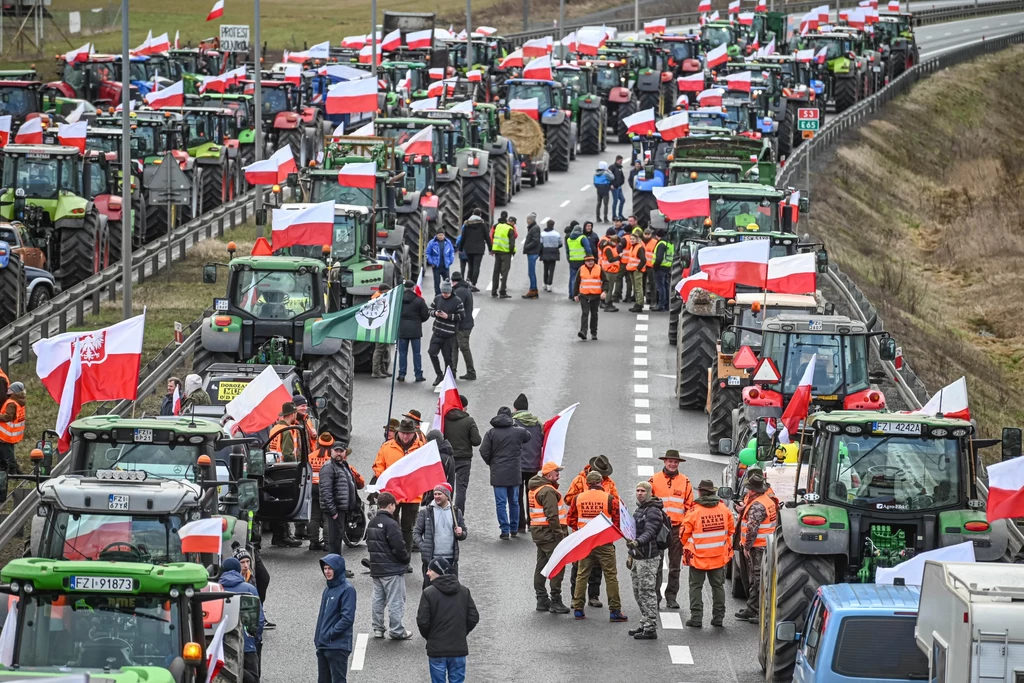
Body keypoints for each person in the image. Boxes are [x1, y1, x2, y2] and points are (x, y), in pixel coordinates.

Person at [568, 472, 628, 623]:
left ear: (587, 483)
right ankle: (615, 610)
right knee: (610, 576)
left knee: (582, 574)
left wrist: (582, 531)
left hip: (585, 541)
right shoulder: (609, 499)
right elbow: (617, 521)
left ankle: (578, 609)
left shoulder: (578, 498)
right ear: (601, 482)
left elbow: (571, 520)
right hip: (604, 542)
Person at [416, 557, 479, 683]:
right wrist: (461, 632)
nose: (427, 573)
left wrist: (431, 636)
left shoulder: (428, 593)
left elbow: (423, 621)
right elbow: (473, 617)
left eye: (430, 570)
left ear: (438, 571)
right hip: (458, 648)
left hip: (437, 650)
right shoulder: (463, 591)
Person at [681, 479, 735, 628]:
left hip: (698, 557)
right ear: (713, 492)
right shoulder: (724, 509)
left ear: (700, 492)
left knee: (695, 587)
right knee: (718, 586)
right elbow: (731, 530)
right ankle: (718, 618)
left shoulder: (694, 511)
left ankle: (696, 618)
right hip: (718, 556)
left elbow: (684, 533)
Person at [565, 456, 617, 607]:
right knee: (578, 566)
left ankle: (593, 596)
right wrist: (587, 499)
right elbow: (568, 499)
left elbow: (616, 503)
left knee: (597, 566)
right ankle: (575, 597)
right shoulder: (579, 480)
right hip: (582, 532)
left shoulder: (609, 483)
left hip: (601, 533)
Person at [649, 450, 694, 609]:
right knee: (657, 564)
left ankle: (671, 597)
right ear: (665, 462)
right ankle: (655, 597)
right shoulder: (654, 480)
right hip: (659, 527)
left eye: (675, 462)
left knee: (675, 566)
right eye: (670, 461)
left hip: (677, 528)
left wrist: (686, 527)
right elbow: (648, 503)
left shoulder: (685, 481)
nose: (673, 464)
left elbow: (690, 506)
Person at [374, 420, 427, 552]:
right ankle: (388, 555)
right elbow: (378, 465)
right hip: (392, 494)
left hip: (412, 495)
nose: (405, 436)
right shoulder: (387, 447)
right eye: (403, 433)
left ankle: (405, 558)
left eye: (408, 434)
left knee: (407, 528)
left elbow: (426, 469)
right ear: (398, 432)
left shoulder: (421, 448)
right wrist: (384, 479)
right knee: (389, 525)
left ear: (414, 433)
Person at [479, 406, 531, 540]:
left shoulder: (491, 433)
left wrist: (492, 462)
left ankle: (505, 530)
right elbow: (528, 437)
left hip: (498, 473)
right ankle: (514, 528)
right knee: (514, 501)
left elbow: (483, 451)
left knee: (501, 503)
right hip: (514, 472)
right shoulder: (518, 432)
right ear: (511, 417)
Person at [367, 492, 413, 640]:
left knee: (378, 599)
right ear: (391, 505)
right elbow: (399, 547)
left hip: (376, 568)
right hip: (392, 569)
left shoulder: (372, 522)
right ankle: (397, 630)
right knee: (396, 600)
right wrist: (405, 559)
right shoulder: (392, 524)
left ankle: (378, 629)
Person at [528, 461, 570, 614]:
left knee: (542, 565)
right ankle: (555, 600)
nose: (558, 474)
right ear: (547, 475)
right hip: (550, 534)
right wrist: (560, 536)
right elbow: (552, 516)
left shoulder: (535, 488)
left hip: (539, 533)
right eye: (556, 472)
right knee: (557, 566)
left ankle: (541, 599)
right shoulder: (548, 491)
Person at [736, 470, 777, 623]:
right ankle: (752, 608)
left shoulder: (758, 505)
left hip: (758, 547)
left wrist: (747, 547)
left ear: (753, 490)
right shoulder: (766, 500)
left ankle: (759, 612)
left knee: (759, 580)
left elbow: (752, 528)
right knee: (756, 578)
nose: (747, 490)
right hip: (765, 545)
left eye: (749, 488)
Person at [627, 481, 665, 640]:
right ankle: (644, 622)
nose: (640, 493)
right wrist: (631, 553)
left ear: (649, 493)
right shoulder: (640, 509)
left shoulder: (654, 511)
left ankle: (650, 628)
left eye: (643, 491)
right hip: (638, 557)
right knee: (638, 592)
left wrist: (638, 542)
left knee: (647, 592)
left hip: (648, 558)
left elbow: (650, 531)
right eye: (637, 490)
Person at [220, 557, 265, 682]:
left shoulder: (215, 589)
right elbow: (259, 619)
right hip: (247, 644)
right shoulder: (249, 589)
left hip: (222, 645)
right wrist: (255, 637)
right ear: (238, 570)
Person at [414, 483, 467, 585]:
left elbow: (464, 533)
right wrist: (423, 547)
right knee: (430, 591)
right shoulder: (426, 512)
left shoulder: (455, 512)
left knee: (451, 591)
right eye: (435, 494)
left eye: (439, 494)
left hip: (450, 560)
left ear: (447, 496)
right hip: (431, 559)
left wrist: (460, 533)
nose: (437, 496)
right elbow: (416, 533)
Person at [315, 554, 357, 682]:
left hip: (337, 647)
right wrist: (319, 638)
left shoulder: (348, 590)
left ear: (338, 569)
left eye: (330, 568)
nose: (327, 572)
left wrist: (330, 634)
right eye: (325, 568)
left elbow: (347, 619)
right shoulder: (328, 589)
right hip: (323, 645)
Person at [321, 439, 365, 558]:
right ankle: (335, 570)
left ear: (345, 452)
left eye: (341, 451)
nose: (339, 453)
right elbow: (326, 491)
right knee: (334, 542)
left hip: (343, 509)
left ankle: (338, 567)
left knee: (338, 539)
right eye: (336, 451)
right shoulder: (328, 468)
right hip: (336, 511)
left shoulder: (343, 466)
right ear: (331, 451)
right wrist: (333, 511)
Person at [443, 395, 480, 515]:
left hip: (447, 458)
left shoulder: (444, 419)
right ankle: (458, 516)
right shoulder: (469, 420)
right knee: (461, 490)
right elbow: (476, 441)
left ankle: (444, 513)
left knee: (445, 487)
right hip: (464, 459)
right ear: (462, 407)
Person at [511, 394, 543, 533]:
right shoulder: (537, 423)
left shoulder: (513, 422)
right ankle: (533, 522)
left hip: (518, 464)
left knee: (517, 495)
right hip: (534, 464)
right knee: (532, 494)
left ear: (515, 408)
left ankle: (520, 524)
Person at [427, 279, 465, 386]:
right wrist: (435, 313)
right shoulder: (438, 298)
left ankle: (449, 377)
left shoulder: (457, 301)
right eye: (443, 292)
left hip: (449, 334)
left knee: (447, 358)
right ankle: (439, 374)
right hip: (437, 332)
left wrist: (448, 316)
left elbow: (461, 316)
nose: (444, 295)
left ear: (451, 291)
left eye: (447, 293)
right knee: (431, 353)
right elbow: (430, 310)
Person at [398, 279, 430, 382]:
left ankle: (402, 374)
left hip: (402, 330)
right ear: (413, 288)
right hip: (415, 330)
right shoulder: (419, 300)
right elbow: (426, 314)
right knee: (417, 353)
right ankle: (418, 375)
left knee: (402, 353)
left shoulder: (399, 300)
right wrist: (418, 321)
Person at [308, 433, 335, 551]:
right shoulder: (332, 458)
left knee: (314, 515)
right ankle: (328, 543)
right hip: (327, 488)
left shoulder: (310, 456)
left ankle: (313, 542)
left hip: (313, 488)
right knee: (327, 516)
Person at [449, 272, 476, 381]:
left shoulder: (459, 291)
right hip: (464, 324)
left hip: (462, 325)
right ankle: (453, 371)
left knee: (463, 348)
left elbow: (455, 307)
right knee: (454, 347)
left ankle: (471, 372)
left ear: (453, 281)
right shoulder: (465, 289)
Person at [574, 253, 603, 341]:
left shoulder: (599, 268)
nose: (590, 262)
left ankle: (594, 333)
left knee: (594, 314)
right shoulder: (581, 269)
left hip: (596, 295)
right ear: (585, 262)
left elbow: (606, 281)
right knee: (585, 313)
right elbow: (577, 282)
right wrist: (575, 294)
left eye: (591, 260)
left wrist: (604, 291)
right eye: (588, 261)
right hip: (584, 295)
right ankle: (583, 332)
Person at [0, 381, 25, 474]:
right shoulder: (19, 401)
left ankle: (12, 472)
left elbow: (8, 417)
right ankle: (14, 471)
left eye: (10, 389)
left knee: (8, 455)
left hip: (6, 435)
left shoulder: (11, 403)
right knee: (6, 454)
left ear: (14, 391)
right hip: (12, 434)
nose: (8, 390)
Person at [458, 214, 489, 288]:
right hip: (479, 249)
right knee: (476, 267)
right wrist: (490, 249)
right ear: (480, 214)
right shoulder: (482, 225)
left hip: (468, 249)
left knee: (470, 266)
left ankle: (469, 281)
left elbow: (463, 238)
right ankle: (473, 283)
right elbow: (487, 237)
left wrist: (460, 248)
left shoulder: (467, 225)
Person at [490, 215, 517, 298]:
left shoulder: (498, 226)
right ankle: (502, 292)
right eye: (514, 223)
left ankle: (494, 291)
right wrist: (512, 252)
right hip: (506, 253)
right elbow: (512, 244)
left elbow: (493, 237)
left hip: (497, 252)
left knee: (496, 272)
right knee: (504, 273)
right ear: (512, 222)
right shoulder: (510, 229)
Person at [370, 283, 393, 378]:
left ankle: (382, 369)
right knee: (379, 349)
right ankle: (376, 371)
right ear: (383, 290)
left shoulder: (378, 297)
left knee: (384, 349)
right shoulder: (379, 299)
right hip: (380, 327)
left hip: (383, 326)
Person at [565, 222, 592, 299]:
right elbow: (588, 249)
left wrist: (569, 258)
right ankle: (579, 294)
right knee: (581, 278)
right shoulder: (582, 237)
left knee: (572, 277)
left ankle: (572, 294)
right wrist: (590, 258)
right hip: (582, 260)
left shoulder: (569, 239)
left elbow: (567, 251)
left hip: (572, 260)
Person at [623, 231, 647, 313]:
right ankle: (638, 303)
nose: (632, 240)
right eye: (631, 239)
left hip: (636, 271)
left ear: (637, 239)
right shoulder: (633, 247)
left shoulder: (639, 247)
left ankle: (639, 304)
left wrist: (638, 268)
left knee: (638, 288)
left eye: (633, 239)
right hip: (632, 270)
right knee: (636, 288)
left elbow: (643, 260)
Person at [426, 231, 456, 295]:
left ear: (444, 235)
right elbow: (428, 253)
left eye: (442, 235)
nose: (441, 237)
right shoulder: (432, 243)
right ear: (436, 235)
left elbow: (452, 252)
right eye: (439, 235)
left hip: (445, 266)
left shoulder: (448, 242)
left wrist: (450, 261)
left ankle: (448, 294)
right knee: (437, 282)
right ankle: (437, 295)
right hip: (436, 266)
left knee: (447, 281)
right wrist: (431, 262)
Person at [598, 232, 621, 312]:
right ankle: (607, 304)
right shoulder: (608, 248)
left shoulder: (611, 247)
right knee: (609, 288)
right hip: (609, 270)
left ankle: (609, 303)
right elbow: (610, 259)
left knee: (610, 288)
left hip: (612, 270)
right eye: (617, 242)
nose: (617, 244)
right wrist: (619, 257)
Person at [521, 213, 542, 298]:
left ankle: (533, 290)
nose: (527, 221)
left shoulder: (534, 228)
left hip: (533, 252)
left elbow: (535, 240)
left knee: (531, 273)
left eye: (528, 220)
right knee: (531, 272)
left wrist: (527, 246)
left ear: (531, 220)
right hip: (532, 252)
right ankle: (533, 290)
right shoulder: (533, 227)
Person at [652, 229, 673, 312]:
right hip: (667, 267)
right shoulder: (669, 243)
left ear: (658, 236)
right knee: (665, 286)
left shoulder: (661, 244)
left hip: (660, 267)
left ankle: (661, 305)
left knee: (660, 287)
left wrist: (655, 266)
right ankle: (667, 304)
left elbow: (659, 258)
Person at [539, 218, 562, 293]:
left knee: (545, 268)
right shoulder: (557, 234)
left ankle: (545, 283)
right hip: (554, 251)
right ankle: (549, 284)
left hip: (545, 251)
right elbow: (560, 244)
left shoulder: (542, 234)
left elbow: (540, 244)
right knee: (551, 269)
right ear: (553, 225)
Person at [610, 155, 626, 220]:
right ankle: (614, 215)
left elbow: (621, 176)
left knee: (622, 200)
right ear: (617, 160)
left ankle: (620, 215)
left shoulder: (619, 168)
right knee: (615, 201)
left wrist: (622, 182)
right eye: (620, 161)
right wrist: (611, 184)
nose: (621, 162)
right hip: (614, 187)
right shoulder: (612, 167)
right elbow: (608, 176)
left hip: (619, 187)